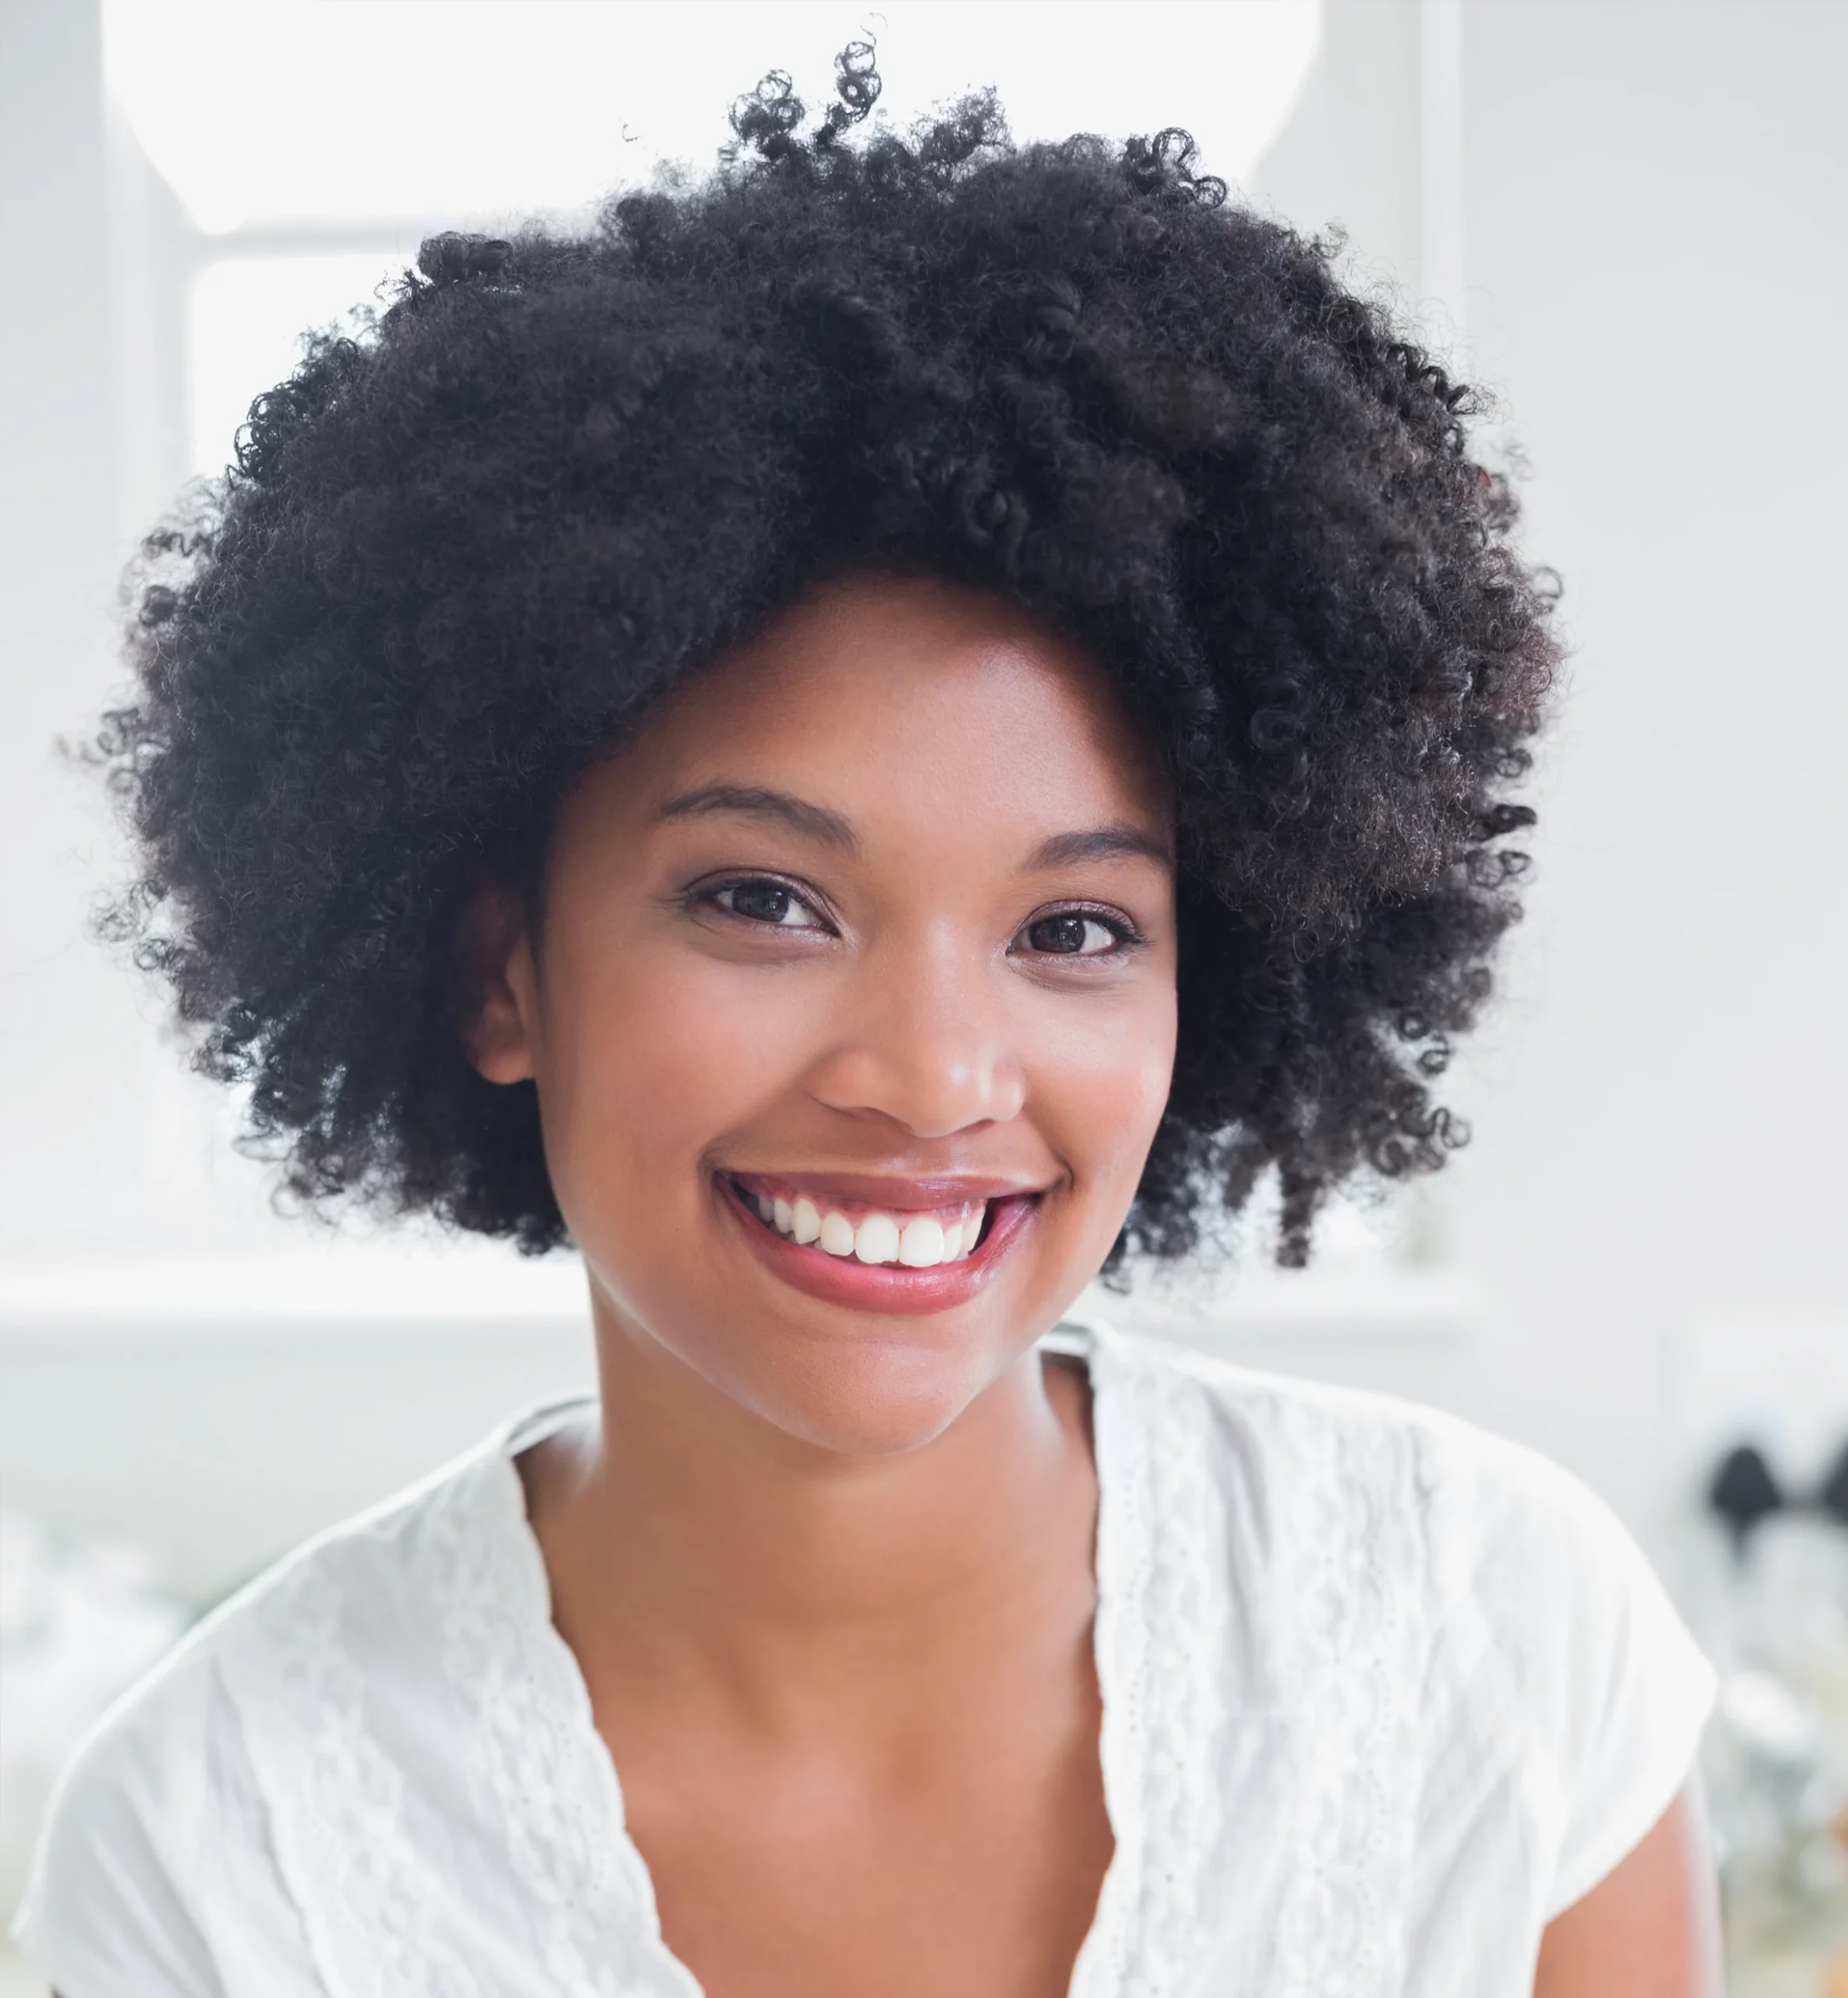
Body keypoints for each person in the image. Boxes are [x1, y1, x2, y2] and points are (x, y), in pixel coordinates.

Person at [12, 44, 1720, 1998]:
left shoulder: (1493, 1650)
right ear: (500, 965)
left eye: (1071, 925)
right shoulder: (223, 1848)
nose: (928, 1076)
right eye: (762, 898)